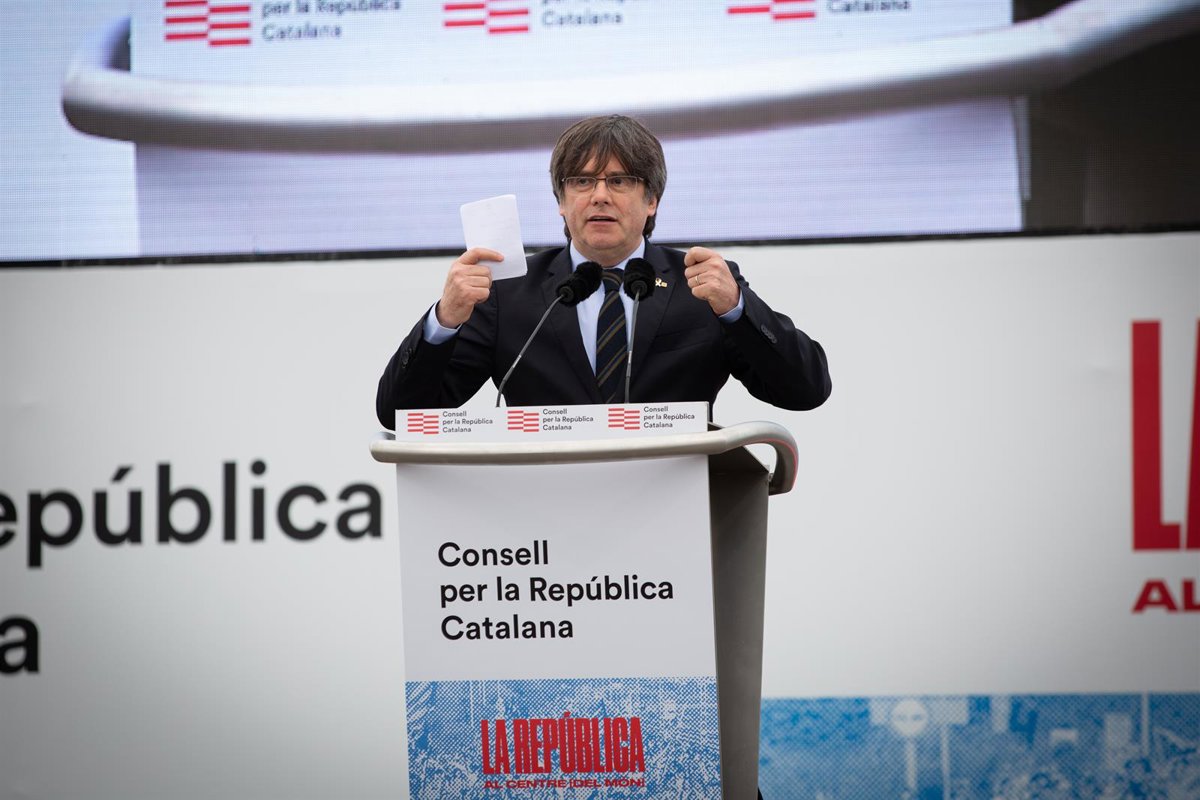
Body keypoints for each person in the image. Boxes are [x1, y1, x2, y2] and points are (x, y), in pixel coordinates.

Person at [376, 114, 831, 429]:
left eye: (619, 181)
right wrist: (444, 320)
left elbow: (806, 390)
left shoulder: (700, 282)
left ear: (652, 201)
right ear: (561, 202)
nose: (599, 195)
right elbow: (402, 413)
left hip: (678, 512)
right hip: (542, 521)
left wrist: (736, 309)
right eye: (581, 181)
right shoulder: (510, 291)